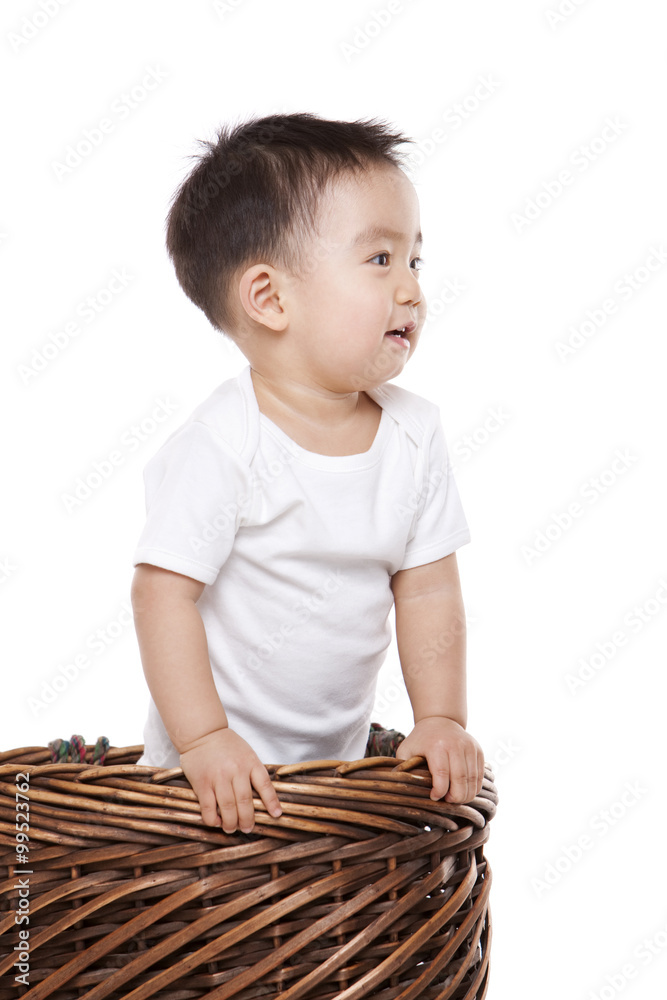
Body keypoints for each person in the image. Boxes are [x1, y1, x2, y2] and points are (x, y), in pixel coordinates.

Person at [131, 111, 485, 835]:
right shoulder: (225, 443)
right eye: (379, 261)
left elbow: (428, 590)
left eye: (414, 260)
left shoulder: (414, 435)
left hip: (335, 783)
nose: (412, 290)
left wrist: (440, 718)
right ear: (269, 298)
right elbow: (161, 597)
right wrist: (202, 740)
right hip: (203, 786)